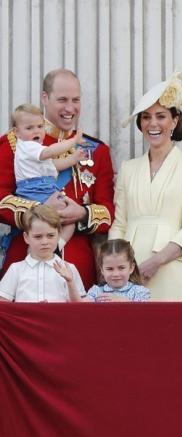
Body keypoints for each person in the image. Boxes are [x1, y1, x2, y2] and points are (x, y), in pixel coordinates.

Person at [0, 69, 115, 288]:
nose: (70, 108)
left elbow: (109, 212)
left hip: (79, 270)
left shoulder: (97, 151)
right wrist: (40, 209)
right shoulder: (14, 144)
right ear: (45, 98)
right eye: (62, 100)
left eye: (76, 100)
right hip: (26, 265)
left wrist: (82, 213)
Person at [109, 69, 182, 301]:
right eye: (146, 116)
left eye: (161, 116)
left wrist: (157, 261)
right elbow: (119, 224)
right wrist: (113, 265)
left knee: (167, 335)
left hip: (168, 266)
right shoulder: (128, 168)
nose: (153, 123)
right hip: (127, 271)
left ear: (174, 121)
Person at [10, 103, 87, 249]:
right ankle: (50, 248)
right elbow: (50, 152)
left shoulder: (34, 149)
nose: (36, 131)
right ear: (16, 132)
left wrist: (73, 159)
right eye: (29, 128)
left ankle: (56, 246)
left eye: (40, 126)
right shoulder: (27, 146)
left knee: (66, 219)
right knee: (55, 218)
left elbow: (54, 165)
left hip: (44, 187)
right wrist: (73, 141)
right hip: (36, 190)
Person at [0, 205, 85, 302]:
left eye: (50, 235)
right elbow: (3, 305)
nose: (45, 242)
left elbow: (80, 308)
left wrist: (70, 282)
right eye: (38, 236)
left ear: (59, 234)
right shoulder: (16, 269)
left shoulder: (69, 269)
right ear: (26, 237)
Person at [85, 239, 151, 302]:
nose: (115, 274)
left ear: (131, 268)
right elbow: (82, 308)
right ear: (102, 269)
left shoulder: (140, 292)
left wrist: (125, 302)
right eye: (110, 269)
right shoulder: (95, 292)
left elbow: (144, 312)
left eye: (121, 268)